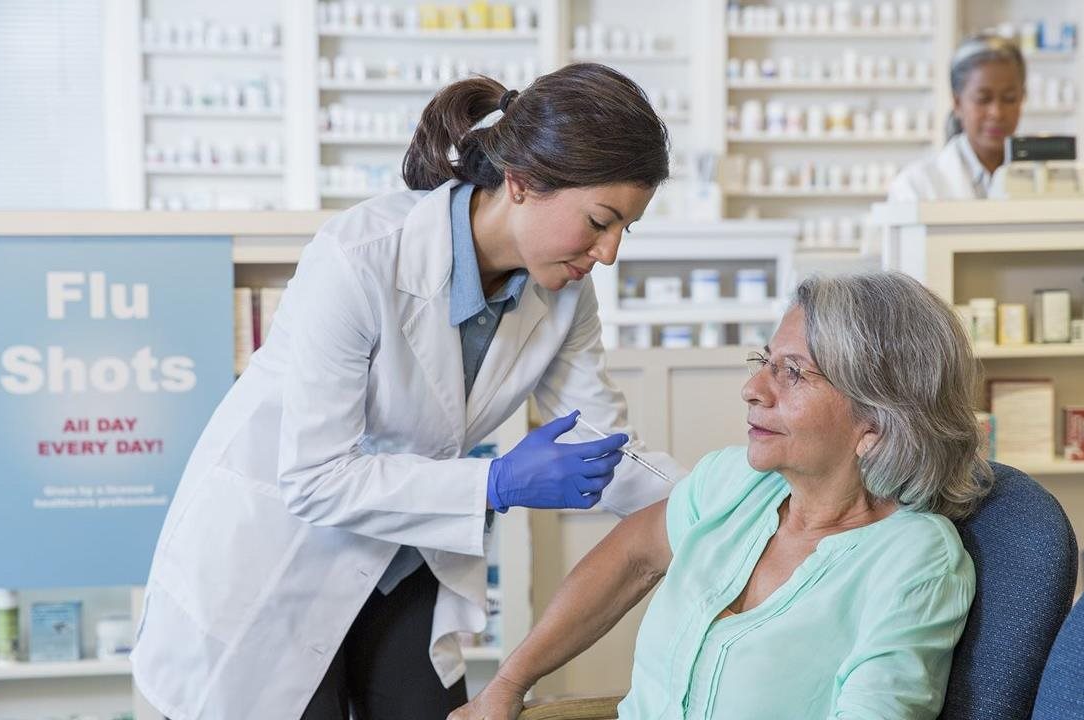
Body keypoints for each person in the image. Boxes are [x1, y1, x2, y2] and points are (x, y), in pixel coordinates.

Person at [130, 63, 683, 720]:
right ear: (522, 181)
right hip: (277, 553)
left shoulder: (563, 294)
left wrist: (733, 506)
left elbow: (601, 443)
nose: (610, 252)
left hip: (402, 557)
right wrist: (493, 485)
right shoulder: (359, 258)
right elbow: (315, 478)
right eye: (600, 220)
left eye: (626, 228)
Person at [451, 272, 994, 720]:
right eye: (764, 361)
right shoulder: (735, 484)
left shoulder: (914, 562)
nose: (753, 389)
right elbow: (632, 557)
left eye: (794, 373)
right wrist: (508, 682)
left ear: (876, 419)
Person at [888, 35, 1027, 201]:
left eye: (1009, 98)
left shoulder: (1052, 180)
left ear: (1022, 99)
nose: (996, 112)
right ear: (957, 102)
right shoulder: (916, 185)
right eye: (983, 99)